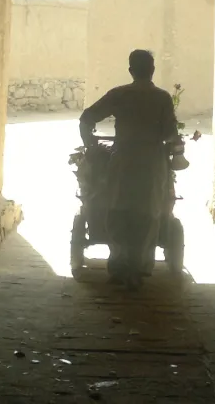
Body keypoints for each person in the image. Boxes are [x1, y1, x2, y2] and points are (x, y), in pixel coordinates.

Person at [79, 49, 178, 289]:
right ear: (152, 70)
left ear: (131, 70)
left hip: (123, 161)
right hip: (152, 164)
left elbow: (87, 117)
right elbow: (170, 134)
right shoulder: (162, 98)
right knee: (148, 212)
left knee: (118, 210)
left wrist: (90, 144)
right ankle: (140, 265)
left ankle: (120, 265)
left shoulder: (119, 95)